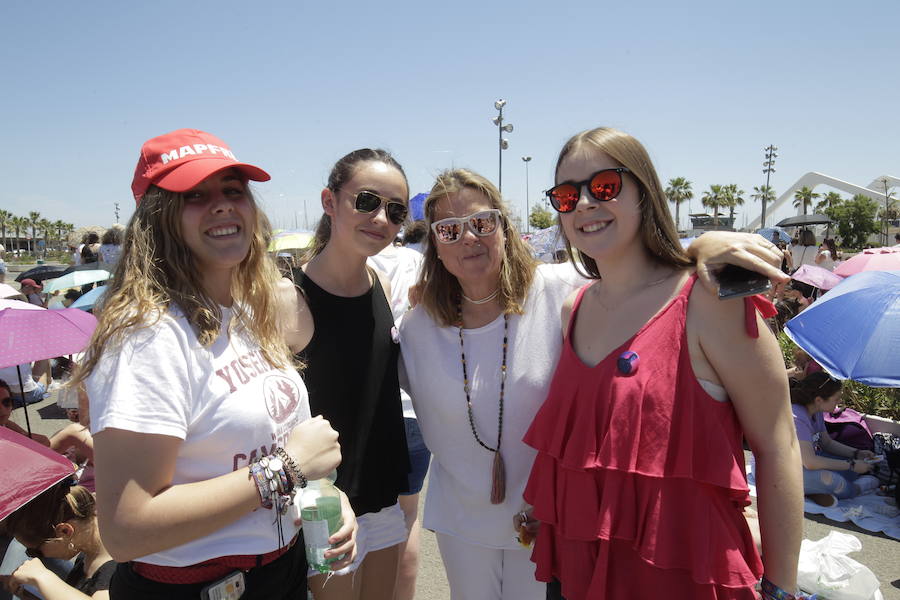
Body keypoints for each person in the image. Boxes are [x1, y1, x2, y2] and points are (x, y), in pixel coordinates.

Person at [399, 168, 791, 600]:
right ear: (434, 243)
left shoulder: (558, 290)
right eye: (449, 230)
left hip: (550, 517)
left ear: (505, 229)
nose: (468, 238)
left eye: (482, 222)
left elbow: (636, 269)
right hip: (463, 524)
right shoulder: (418, 325)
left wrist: (697, 246)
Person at [71, 128, 355, 600]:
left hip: (279, 572)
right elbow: (125, 529)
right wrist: (285, 470)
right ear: (159, 219)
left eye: (233, 190)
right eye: (195, 195)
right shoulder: (148, 336)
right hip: (195, 586)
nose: (222, 205)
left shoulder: (246, 313)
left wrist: (328, 497)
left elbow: (278, 447)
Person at [524, 127, 804, 600]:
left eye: (605, 186)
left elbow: (779, 446)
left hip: (682, 578)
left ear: (644, 191)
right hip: (576, 576)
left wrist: (781, 587)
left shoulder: (709, 300)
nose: (585, 204)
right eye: (567, 196)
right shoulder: (574, 309)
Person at [294, 148, 411, 600]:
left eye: (395, 210)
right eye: (366, 201)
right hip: (323, 500)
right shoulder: (289, 295)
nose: (381, 218)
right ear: (330, 201)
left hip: (381, 491)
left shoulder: (380, 284)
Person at [3, 481, 114, 599]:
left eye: (36, 552)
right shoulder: (87, 554)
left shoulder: (115, 570)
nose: (36, 558)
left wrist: (42, 577)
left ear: (64, 531)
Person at [790, 373, 880, 507]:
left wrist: (857, 453)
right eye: (836, 399)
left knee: (849, 471)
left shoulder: (816, 410)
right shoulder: (797, 418)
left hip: (802, 464)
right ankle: (855, 490)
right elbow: (810, 462)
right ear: (819, 400)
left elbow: (827, 443)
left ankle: (811, 492)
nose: (839, 402)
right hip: (783, 471)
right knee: (833, 479)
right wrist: (851, 464)